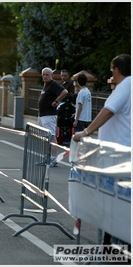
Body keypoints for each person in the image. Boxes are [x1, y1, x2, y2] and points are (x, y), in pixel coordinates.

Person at [73, 54, 131, 246]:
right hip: (121, 152)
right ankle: (112, 242)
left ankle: (114, 245)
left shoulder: (125, 86)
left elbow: (108, 111)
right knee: (119, 200)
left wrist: (86, 131)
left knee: (115, 200)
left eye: (112, 70)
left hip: (119, 154)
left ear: (116, 70)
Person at [38, 67, 68, 167]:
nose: (45, 76)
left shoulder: (53, 84)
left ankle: (53, 158)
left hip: (49, 115)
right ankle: (47, 158)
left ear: (51, 76)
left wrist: (56, 101)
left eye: (47, 75)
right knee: (46, 137)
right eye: (43, 75)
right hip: (43, 115)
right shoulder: (46, 85)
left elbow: (65, 92)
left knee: (51, 136)